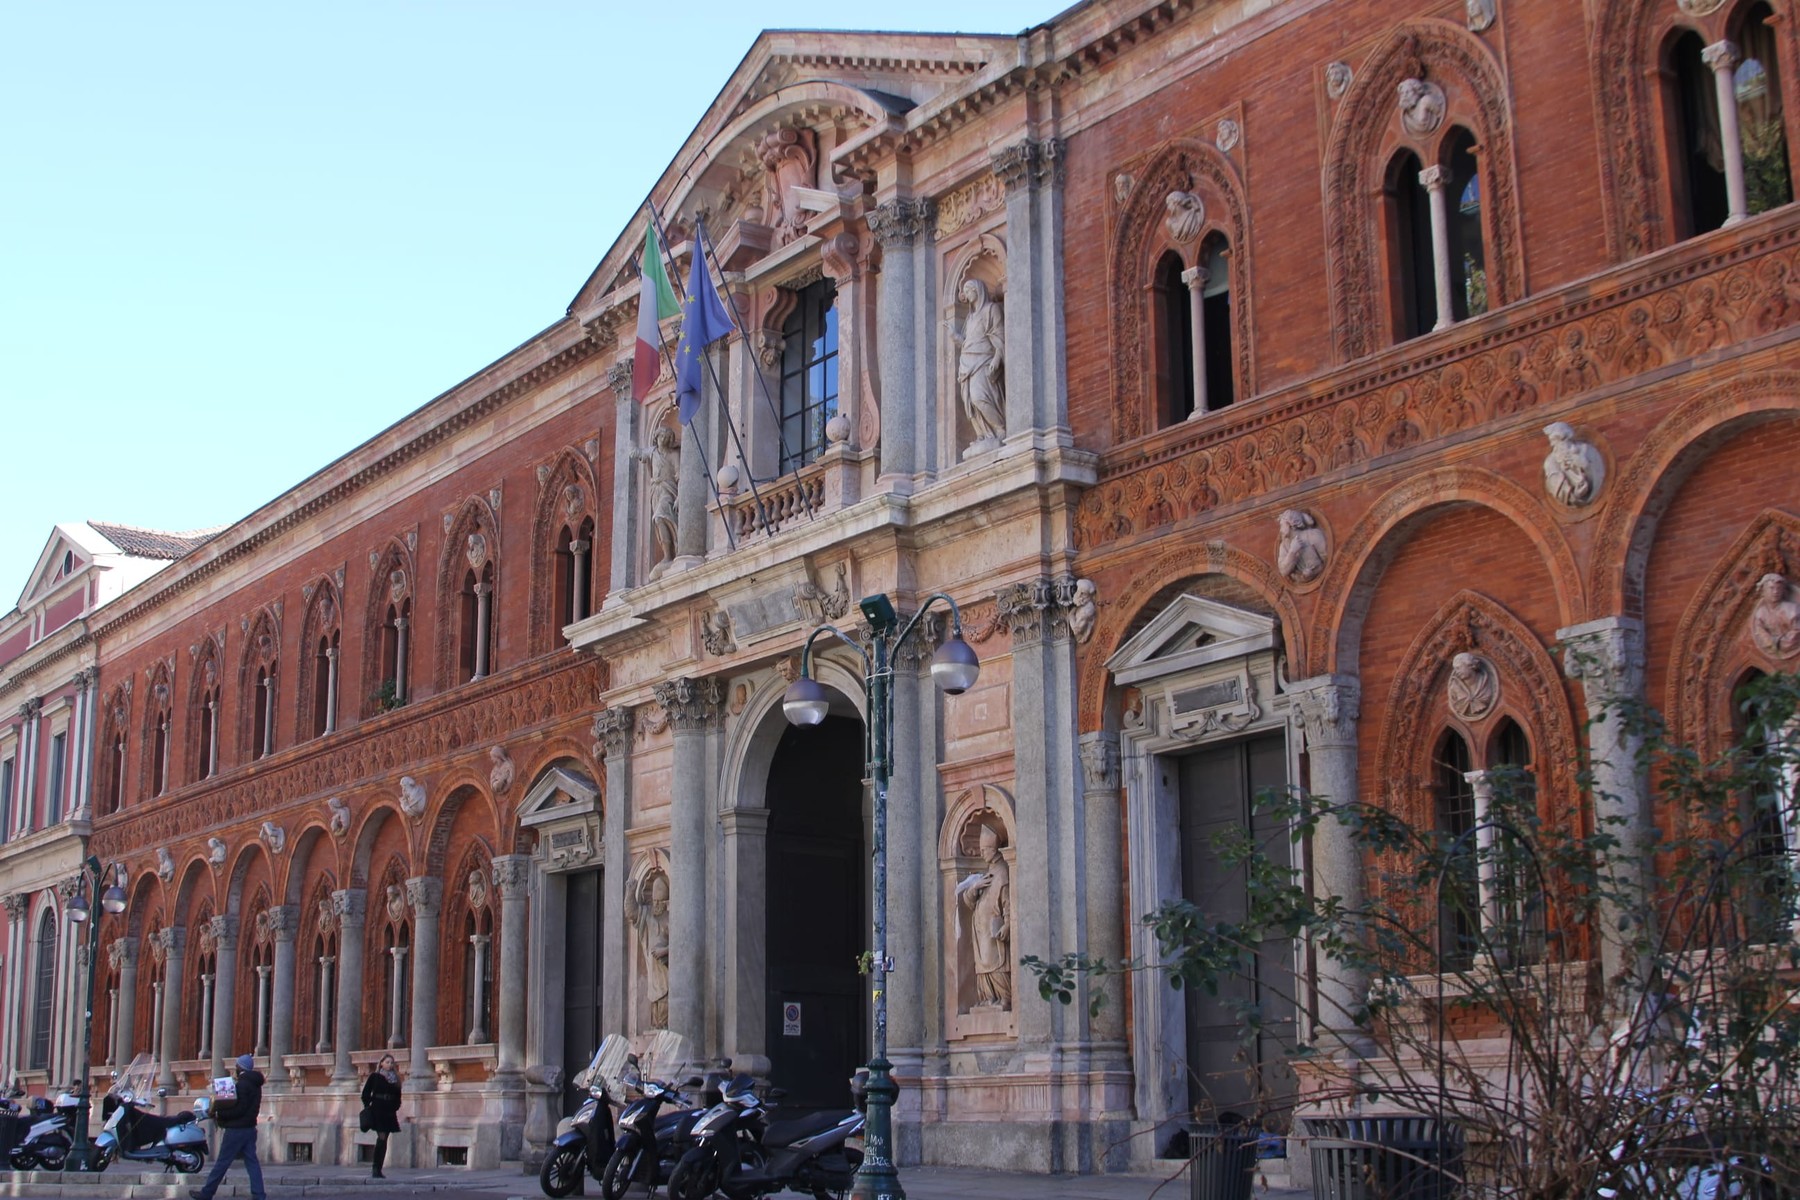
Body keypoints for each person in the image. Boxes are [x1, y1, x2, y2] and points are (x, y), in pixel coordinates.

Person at [190, 1053, 264, 1200]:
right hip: (249, 1129)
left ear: (240, 1067)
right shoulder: (256, 1085)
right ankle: (259, 1194)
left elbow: (239, 1109)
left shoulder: (243, 1085)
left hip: (236, 1130)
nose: (235, 1069)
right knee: (252, 1163)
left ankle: (207, 1193)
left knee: (222, 1163)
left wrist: (219, 1114)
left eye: (237, 1066)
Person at [361, 1053, 402, 1179]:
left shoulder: (395, 1079)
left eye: (391, 1062)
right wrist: (369, 1107)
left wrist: (395, 1106)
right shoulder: (375, 1077)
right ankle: (375, 1167)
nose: (389, 1064)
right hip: (378, 1109)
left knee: (385, 1139)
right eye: (387, 1062)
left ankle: (379, 1168)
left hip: (389, 1111)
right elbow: (365, 1093)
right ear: (382, 1063)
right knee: (381, 1137)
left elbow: (398, 1096)